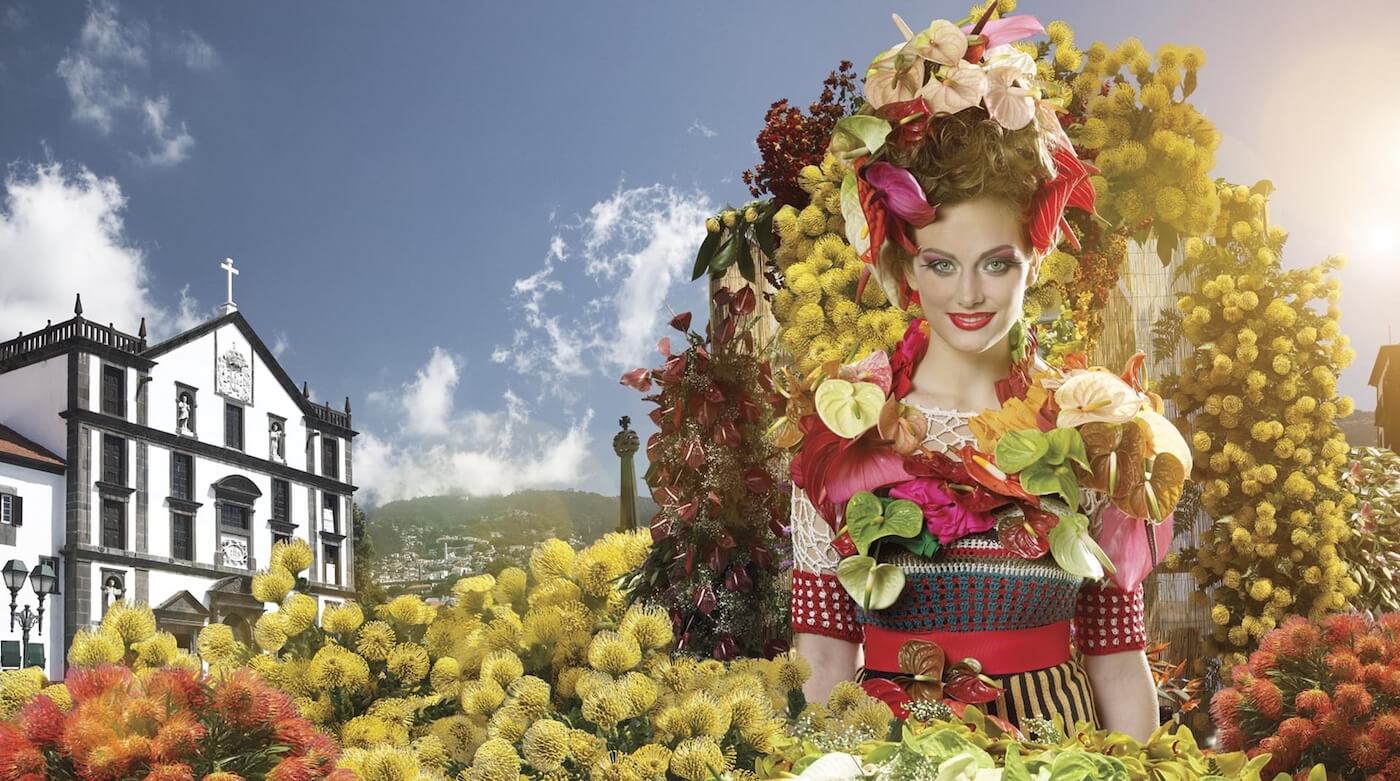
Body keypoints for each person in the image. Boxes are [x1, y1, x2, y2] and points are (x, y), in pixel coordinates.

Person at [789, 14, 1160, 742]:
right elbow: (824, 659)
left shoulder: (1093, 425)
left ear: (1035, 257)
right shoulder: (842, 431)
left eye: (996, 263)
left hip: (1061, 758)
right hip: (894, 756)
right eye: (940, 263)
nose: (967, 294)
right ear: (905, 264)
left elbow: (1118, 661)